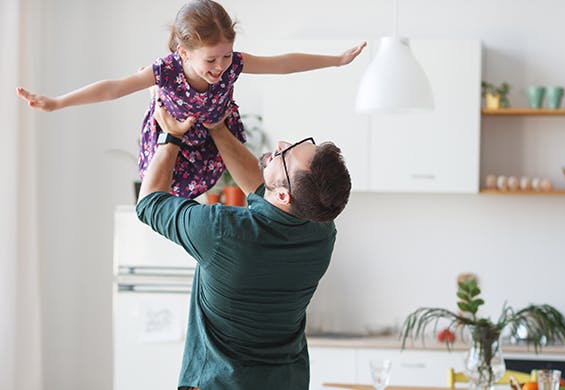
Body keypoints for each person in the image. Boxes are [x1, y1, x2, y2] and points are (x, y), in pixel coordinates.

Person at [16, 0, 366, 199]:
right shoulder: (166, 69)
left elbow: (283, 63)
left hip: (212, 138)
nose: (220, 67)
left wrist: (334, 61)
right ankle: (158, 101)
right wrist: (57, 102)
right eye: (210, 60)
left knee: (249, 188)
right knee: (161, 198)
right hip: (176, 140)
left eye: (225, 56)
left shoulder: (235, 64)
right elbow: (113, 87)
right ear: (183, 52)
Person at [135, 99, 351, 389]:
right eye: (297, 143)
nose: (281, 144)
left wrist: (171, 136)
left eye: (284, 156)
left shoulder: (222, 231)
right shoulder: (321, 232)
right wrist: (218, 129)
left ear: (285, 196)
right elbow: (265, 192)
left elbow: (149, 203)